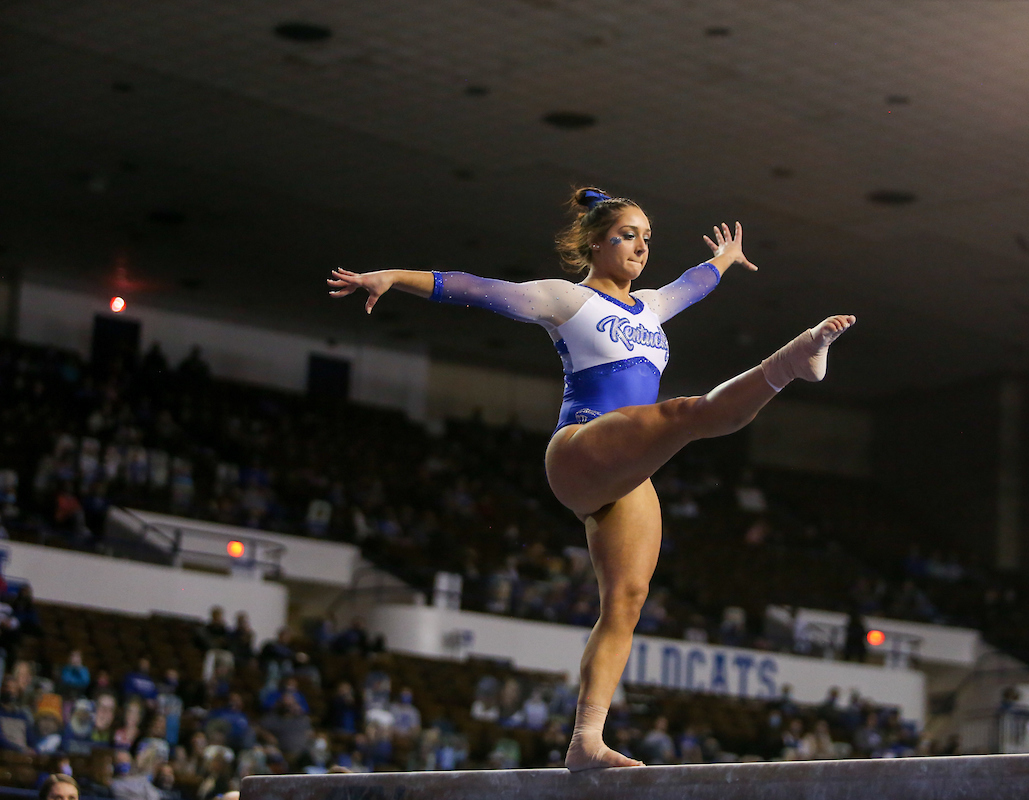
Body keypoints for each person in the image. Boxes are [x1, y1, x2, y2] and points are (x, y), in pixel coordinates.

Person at [328, 187, 855, 770]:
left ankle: (586, 741)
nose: (641, 248)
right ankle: (793, 362)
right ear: (596, 242)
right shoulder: (565, 300)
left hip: (624, 474)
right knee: (685, 415)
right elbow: (476, 288)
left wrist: (725, 260)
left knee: (626, 603)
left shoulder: (650, 307)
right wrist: (391, 277)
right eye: (629, 235)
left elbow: (694, 283)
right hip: (580, 449)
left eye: (647, 239)